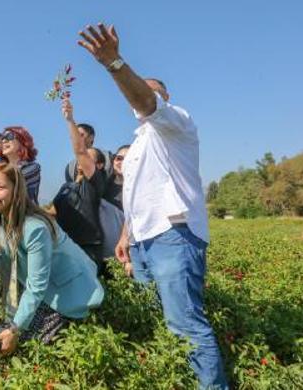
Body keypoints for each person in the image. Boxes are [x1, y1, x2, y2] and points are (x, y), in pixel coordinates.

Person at [79, 22, 228, 388]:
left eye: (151, 91)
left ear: (164, 98)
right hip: (144, 241)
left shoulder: (176, 123)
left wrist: (114, 63)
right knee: (156, 322)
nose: (140, 96)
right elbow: (137, 196)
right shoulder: (137, 146)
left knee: (185, 325)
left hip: (173, 236)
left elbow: (147, 102)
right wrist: (127, 236)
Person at [0, 164, 103, 354]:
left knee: (30, 348)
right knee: (8, 340)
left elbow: (37, 286)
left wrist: (15, 328)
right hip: (46, 290)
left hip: (68, 293)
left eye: (0, 187)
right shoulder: (3, 224)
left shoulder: (34, 228)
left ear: (16, 191)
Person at [53, 97, 108, 273]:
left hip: (88, 247)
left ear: (98, 166)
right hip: (65, 245)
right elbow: (51, 211)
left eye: (88, 158)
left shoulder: (95, 183)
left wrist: (69, 119)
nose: (81, 160)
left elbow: (80, 150)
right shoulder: (66, 187)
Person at [0, 126, 41, 204]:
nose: (4, 140)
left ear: (22, 141)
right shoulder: (2, 168)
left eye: (9, 136)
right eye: (2, 138)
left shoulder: (33, 168)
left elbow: (11, 182)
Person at [103, 145, 130, 210]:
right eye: (119, 158)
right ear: (113, 161)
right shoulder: (103, 185)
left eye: (128, 159)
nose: (122, 162)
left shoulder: (143, 188)